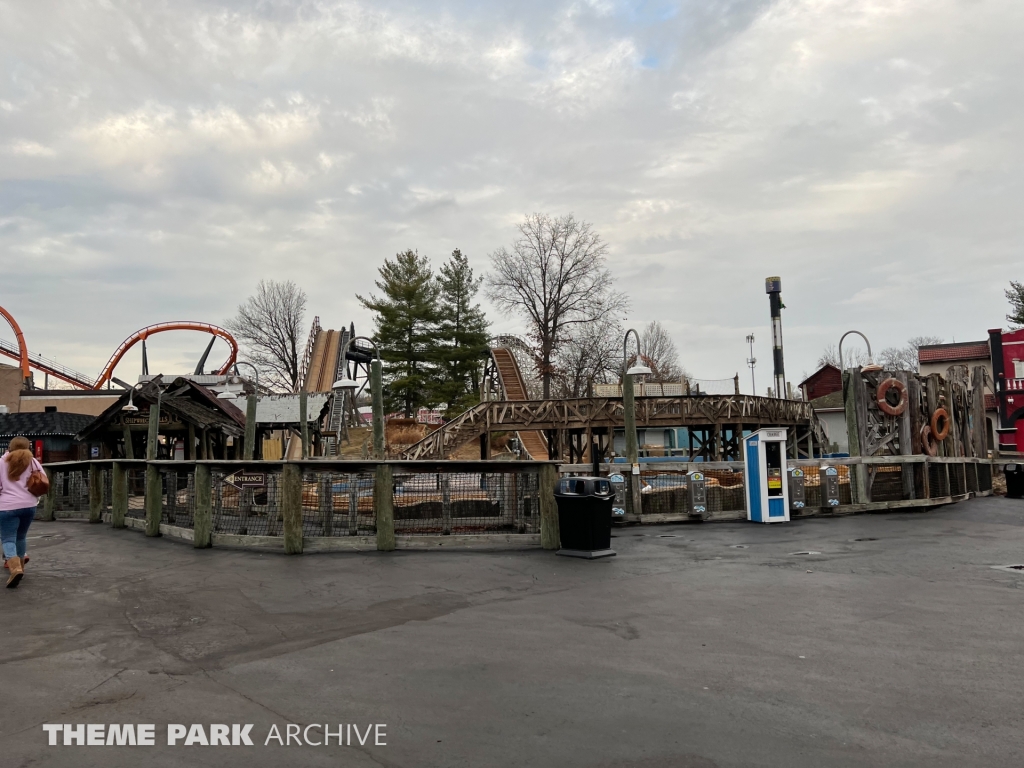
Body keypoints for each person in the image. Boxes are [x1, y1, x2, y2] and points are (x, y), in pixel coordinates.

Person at [0, 437, 44, 588]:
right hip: (29, 505)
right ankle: (21, 567)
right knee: (21, 536)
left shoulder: (2, 462)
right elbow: (42, 480)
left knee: (8, 538)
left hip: (7, 506)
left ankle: (15, 568)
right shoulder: (33, 462)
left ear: (10, 447)